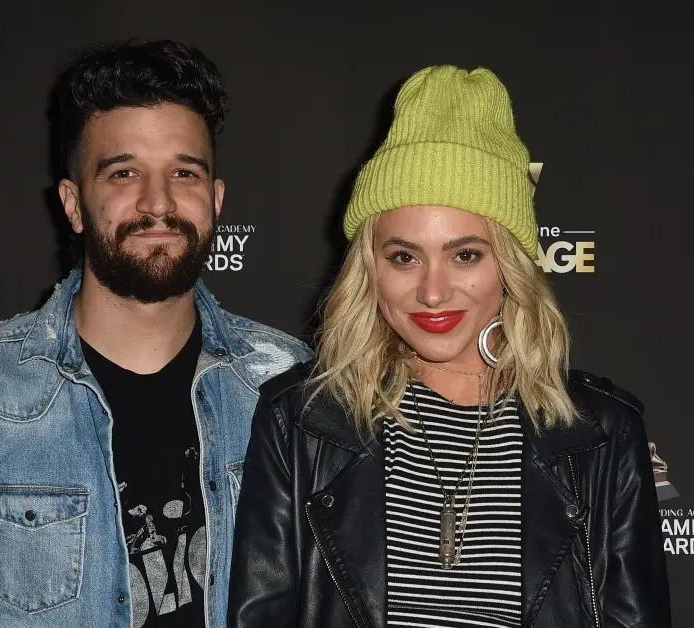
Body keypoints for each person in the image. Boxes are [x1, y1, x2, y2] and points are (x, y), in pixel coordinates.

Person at [0, 40, 311, 627]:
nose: (158, 202)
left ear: (216, 199)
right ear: (74, 204)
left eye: (184, 172)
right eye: (124, 173)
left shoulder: (291, 385)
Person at [228, 66, 670, 628]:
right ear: (370, 270)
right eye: (403, 257)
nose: (433, 290)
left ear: (509, 266)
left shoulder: (602, 436)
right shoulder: (300, 424)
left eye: (465, 255)